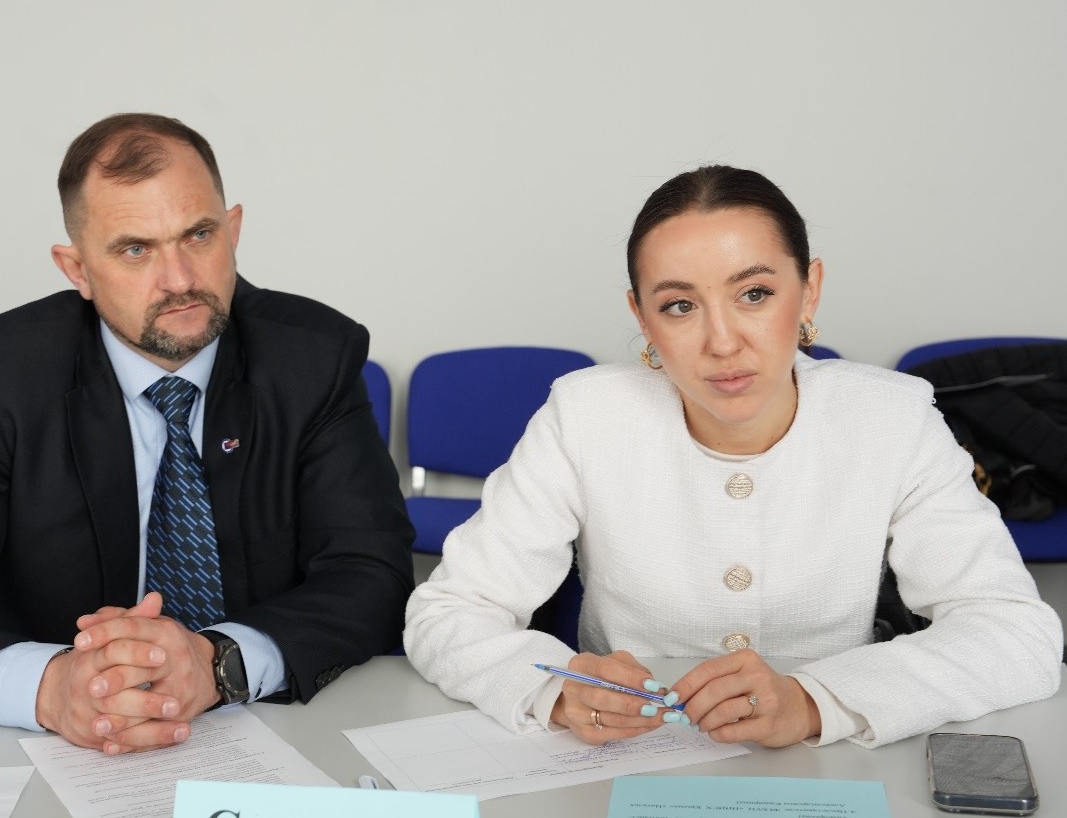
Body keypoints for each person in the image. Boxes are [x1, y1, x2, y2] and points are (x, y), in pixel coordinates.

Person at [404, 165, 1062, 749]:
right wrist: (553, 689)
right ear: (642, 317)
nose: (722, 342)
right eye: (679, 305)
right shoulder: (584, 416)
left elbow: (1015, 632)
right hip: (630, 757)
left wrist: (812, 701)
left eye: (753, 294)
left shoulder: (892, 419)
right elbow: (449, 612)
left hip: (827, 759)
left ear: (809, 290)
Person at [0, 113, 414, 755]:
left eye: (199, 235)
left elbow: (372, 574)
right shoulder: (3, 374)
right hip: (60, 755)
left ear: (234, 230)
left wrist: (217, 663)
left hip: (272, 736)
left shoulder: (314, 356)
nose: (180, 279)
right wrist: (51, 688)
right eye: (136, 249)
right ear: (77, 269)